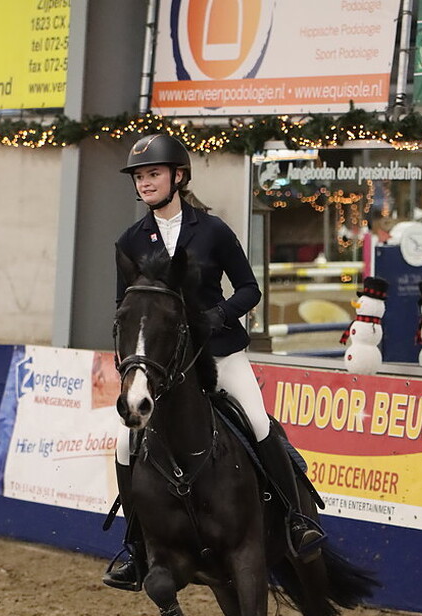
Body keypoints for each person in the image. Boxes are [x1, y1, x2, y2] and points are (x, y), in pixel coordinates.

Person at [104, 133, 324, 591]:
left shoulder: (213, 230)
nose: (145, 182)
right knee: (125, 445)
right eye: (140, 177)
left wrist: (217, 314)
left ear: (178, 177)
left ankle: (298, 520)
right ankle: (136, 546)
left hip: (220, 352)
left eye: (154, 174)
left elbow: (249, 288)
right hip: (165, 366)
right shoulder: (130, 241)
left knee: (260, 424)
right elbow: (123, 309)